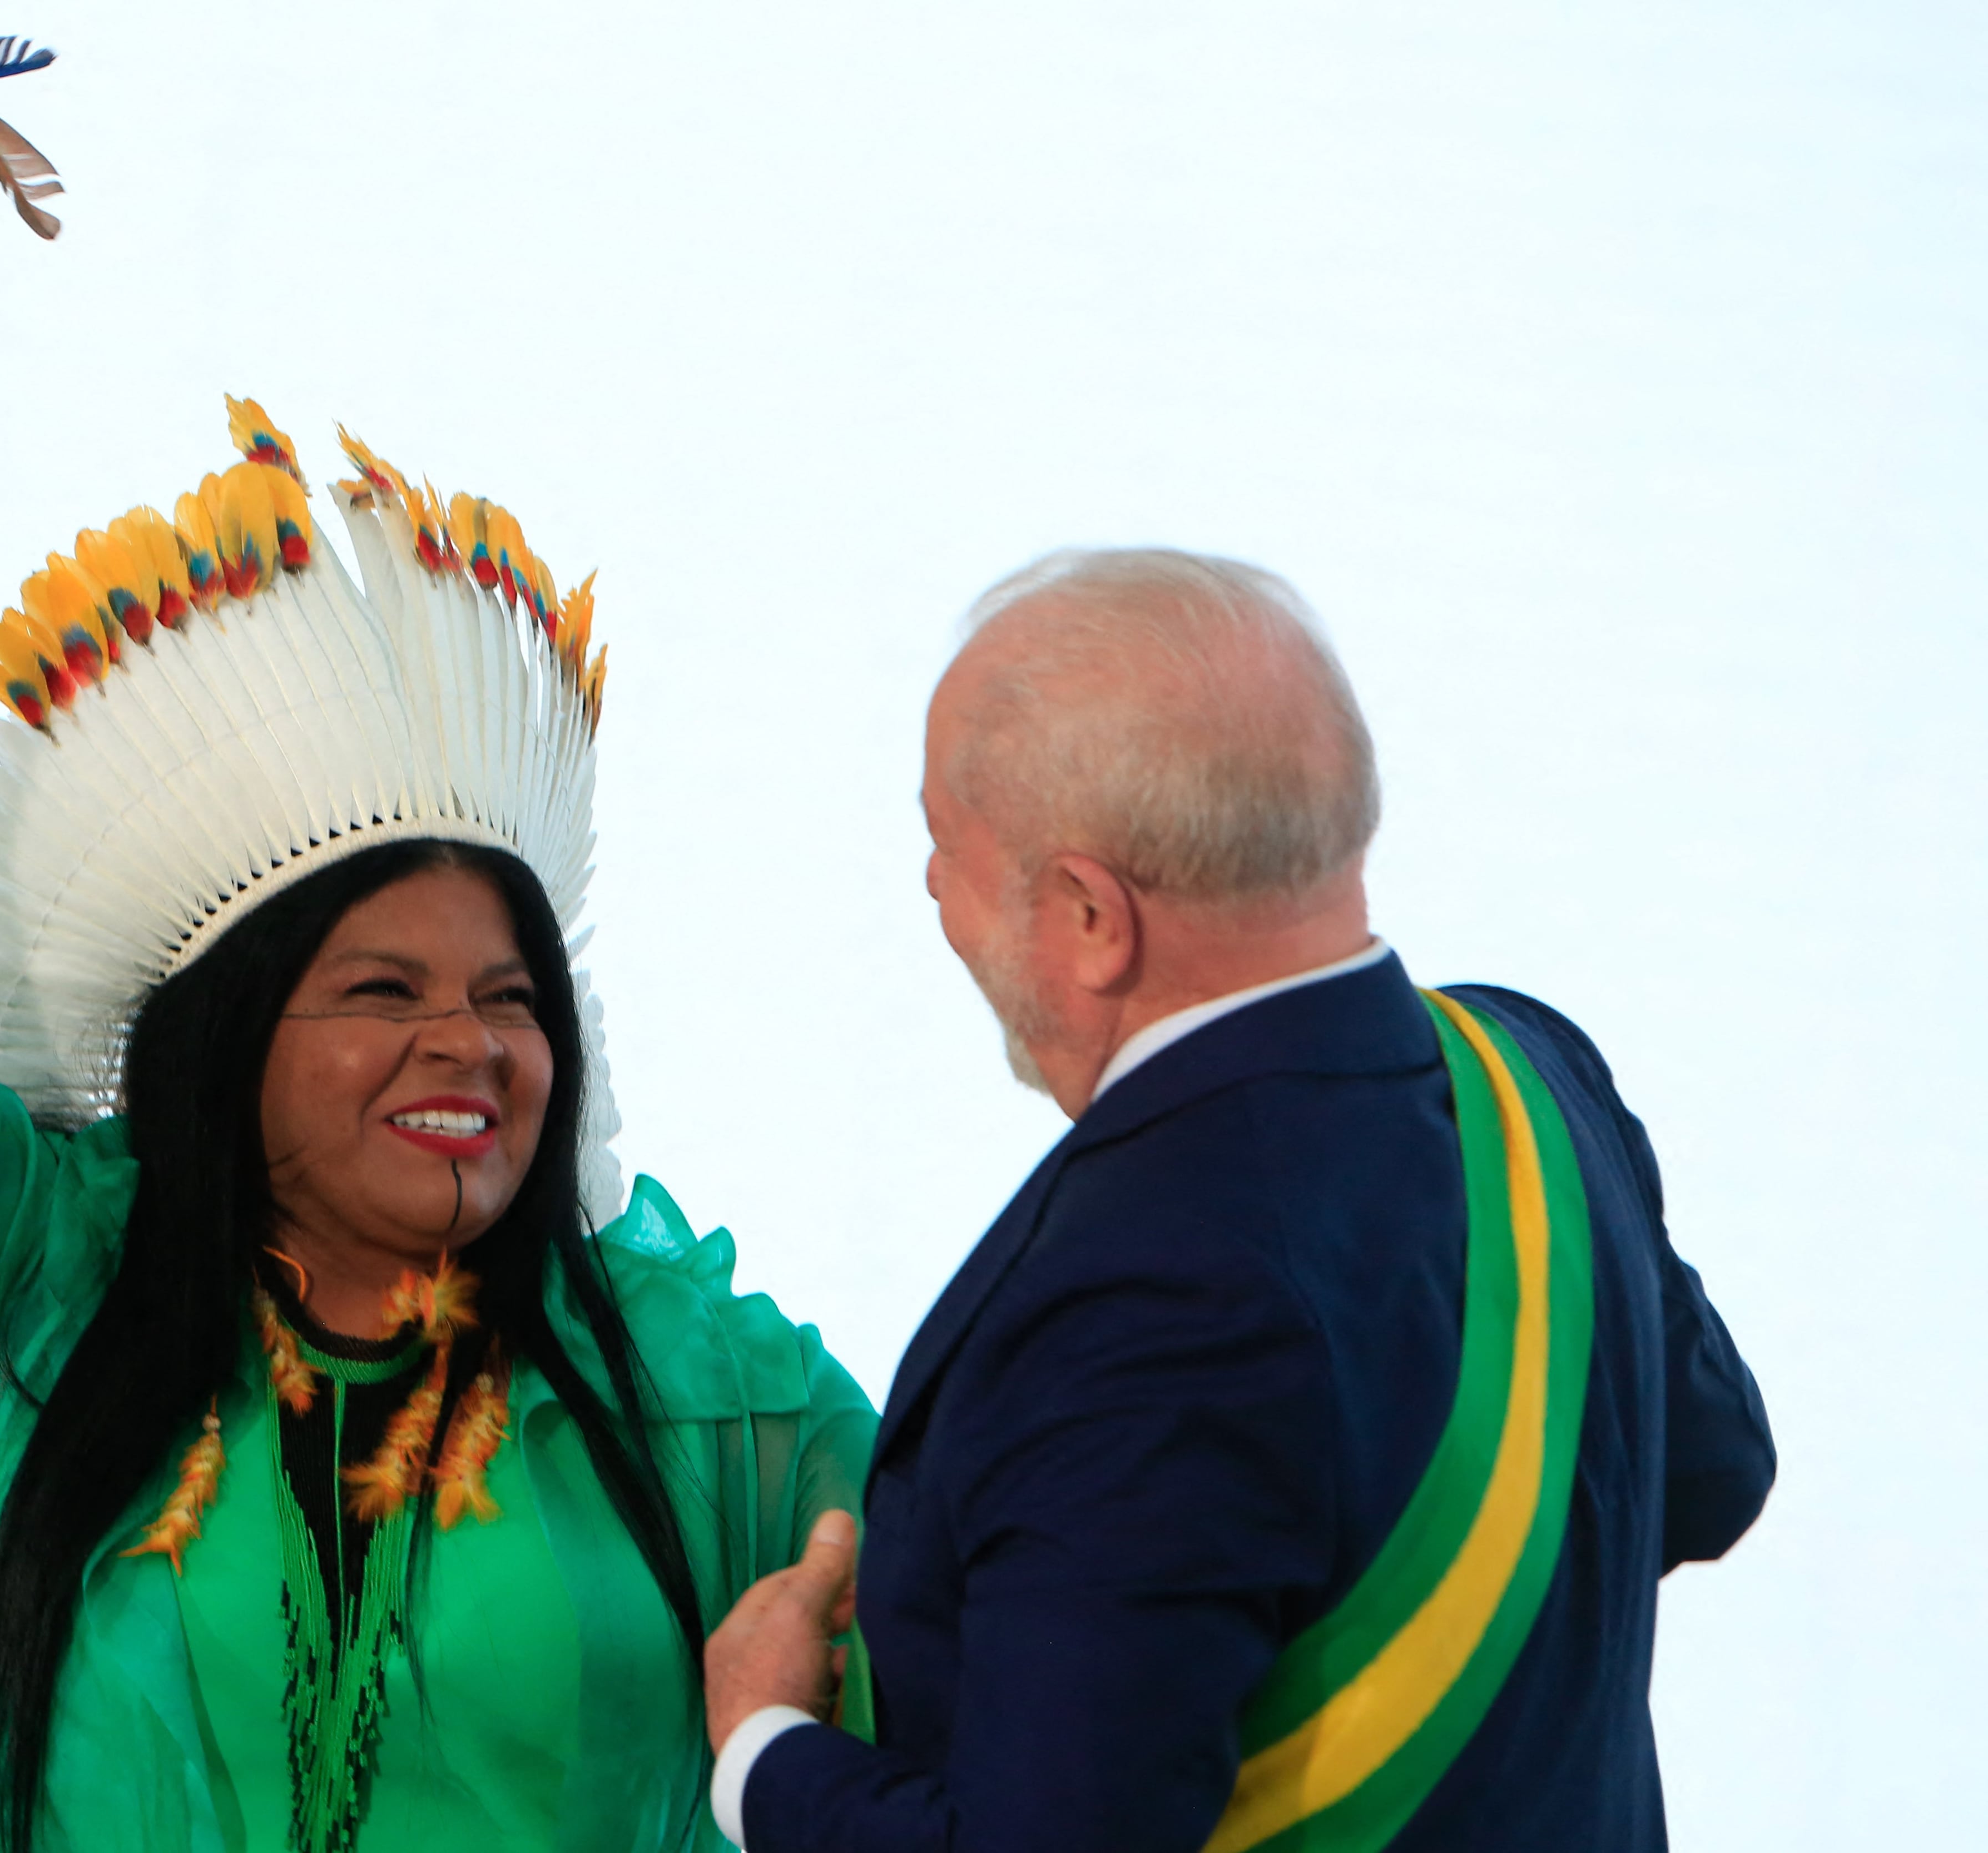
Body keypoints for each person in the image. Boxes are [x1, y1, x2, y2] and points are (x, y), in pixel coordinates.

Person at [0, 374, 875, 1853]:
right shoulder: (29, 1288)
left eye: (513, 999)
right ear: (230, 1046)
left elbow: (995, 1685)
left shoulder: (720, 1400)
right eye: (385, 991)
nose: (469, 1042)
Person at [702, 549, 1774, 1852]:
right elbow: (1716, 1471)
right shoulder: (1531, 1079)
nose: (935, 890)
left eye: (951, 845)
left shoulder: (1137, 1298)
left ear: (1093, 916)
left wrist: (765, 1746)